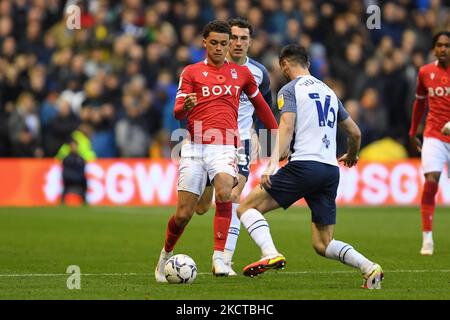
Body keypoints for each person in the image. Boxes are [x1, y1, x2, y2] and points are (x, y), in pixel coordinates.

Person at [236, 44, 384, 289]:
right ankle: (370, 268)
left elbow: (287, 126)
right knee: (323, 243)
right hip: (329, 170)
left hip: (304, 165)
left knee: (246, 208)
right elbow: (355, 133)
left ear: (284, 64)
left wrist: (272, 163)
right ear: (308, 64)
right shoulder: (329, 92)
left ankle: (269, 252)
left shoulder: (290, 89)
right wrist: (352, 155)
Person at [154, 20, 278, 282]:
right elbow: (177, 111)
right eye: (215, 43)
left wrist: (279, 134)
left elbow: (263, 108)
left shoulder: (242, 74)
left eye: (224, 43)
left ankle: (220, 258)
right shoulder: (190, 73)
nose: (221, 48)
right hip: (195, 147)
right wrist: (185, 105)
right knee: (185, 214)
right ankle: (165, 255)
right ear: (204, 43)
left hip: (225, 146)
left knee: (226, 192)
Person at [193, 18, 275, 276]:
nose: (238, 43)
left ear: (251, 42)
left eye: (243, 38)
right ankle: (222, 257)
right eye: (235, 38)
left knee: (232, 197)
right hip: (206, 142)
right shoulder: (209, 70)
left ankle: (223, 260)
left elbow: (265, 111)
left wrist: (268, 149)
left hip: (240, 142)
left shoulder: (259, 73)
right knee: (202, 207)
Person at [409, 31, 450, 256]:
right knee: (431, 181)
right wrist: (413, 129)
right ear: (434, 49)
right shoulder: (425, 72)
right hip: (434, 135)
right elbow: (419, 104)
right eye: (440, 45)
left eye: (447, 45)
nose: (443, 49)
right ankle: (427, 239)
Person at [60, 138, 87, 204]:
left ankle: (84, 200)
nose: (74, 148)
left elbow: (82, 172)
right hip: (69, 180)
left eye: (75, 146)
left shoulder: (81, 159)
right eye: (72, 146)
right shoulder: (66, 159)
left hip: (79, 181)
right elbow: (65, 173)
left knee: (84, 182)